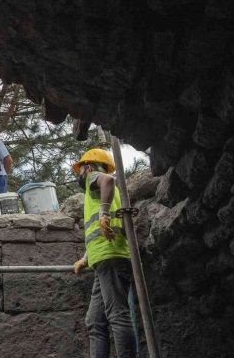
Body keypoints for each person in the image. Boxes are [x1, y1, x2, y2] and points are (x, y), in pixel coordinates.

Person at [72, 148, 136, 358]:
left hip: (110, 257)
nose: (79, 175)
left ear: (88, 167)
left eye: (80, 170)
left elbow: (108, 179)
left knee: (117, 314)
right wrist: (85, 258)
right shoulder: (102, 192)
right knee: (94, 320)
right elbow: (99, 231)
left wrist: (104, 213)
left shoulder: (95, 178)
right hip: (103, 257)